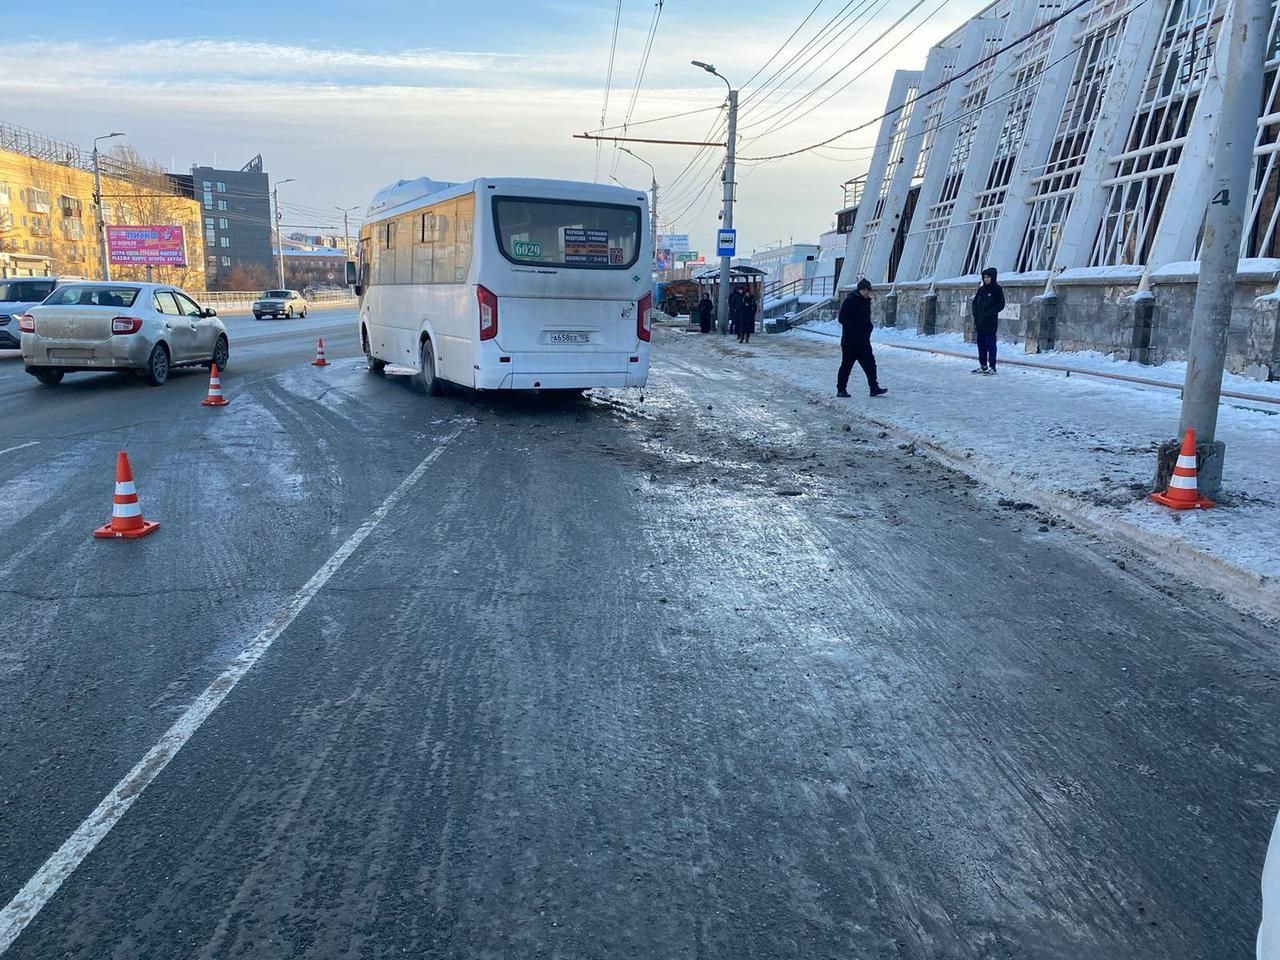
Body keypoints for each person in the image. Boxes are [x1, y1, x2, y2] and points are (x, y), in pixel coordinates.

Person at [837, 278, 887, 398]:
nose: (866, 292)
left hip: (863, 341)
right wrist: (854, 328)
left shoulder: (866, 302)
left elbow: (866, 319)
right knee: (846, 366)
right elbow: (842, 318)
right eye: (864, 290)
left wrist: (868, 328)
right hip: (850, 342)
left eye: (868, 290)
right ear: (859, 290)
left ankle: (873, 387)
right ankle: (841, 389)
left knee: (870, 364)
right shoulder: (850, 301)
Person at [972, 266, 1005, 375]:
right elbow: (974, 303)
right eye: (984, 277)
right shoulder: (981, 290)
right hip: (980, 322)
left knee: (990, 345)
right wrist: (976, 315)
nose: (986, 279)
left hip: (990, 323)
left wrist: (990, 313)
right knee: (980, 344)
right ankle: (983, 365)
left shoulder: (997, 289)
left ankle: (992, 366)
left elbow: (1001, 304)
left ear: (992, 278)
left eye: (988, 277)